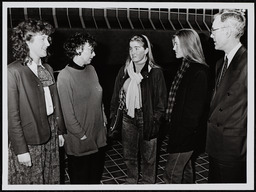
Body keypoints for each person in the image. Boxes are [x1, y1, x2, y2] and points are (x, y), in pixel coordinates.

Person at [8, 19, 66, 184]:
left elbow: (54, 102)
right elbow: (12, 117)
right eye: (43, 39)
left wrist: (60, 131)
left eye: (48, 39)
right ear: (27, 40)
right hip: (29, 139)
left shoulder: (47, 68)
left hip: (51, 131)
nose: (48, 43)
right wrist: (21, 150)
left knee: (52, 179)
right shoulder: (13, 72)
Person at [110, 34, 167, 184]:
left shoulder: (155, 72)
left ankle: (148, 183)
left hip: (147, 117)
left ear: (146, 50)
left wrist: (155, 120)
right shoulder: (124, 70)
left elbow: (161, 102)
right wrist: (113, 115)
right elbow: (116, 96)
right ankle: (131, 181)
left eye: (137, 48)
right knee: (129, 155)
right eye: (130, 48)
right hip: (128, 117)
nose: (133, 52)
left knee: (149, 157)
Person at [57, 32, 107, 184]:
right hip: (80, 139)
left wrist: (104, 120)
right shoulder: (65, 76)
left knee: (94, 178)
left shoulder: (91, 69)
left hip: (97, 135)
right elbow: (67, 113)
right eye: (90, 50)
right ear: (78, 49)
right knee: (81, 180)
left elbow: (99, 99)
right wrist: (82, 135)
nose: (94, 53)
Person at [163, 29, 209, 184]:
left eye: (176, 44)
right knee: (186, 169)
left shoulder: (198, 71)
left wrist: (182, 136)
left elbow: (194, 112)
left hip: (185, 134)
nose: (173, 48)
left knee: (171, 173)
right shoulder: (185, 67)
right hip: (180, 131)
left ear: (187, 45)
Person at [206, 9, 247, 183]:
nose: (210, 35)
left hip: (233, 147)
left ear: (228, 32)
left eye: (213, 30)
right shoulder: (220, 63)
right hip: (216, 143)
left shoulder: (248, 62)